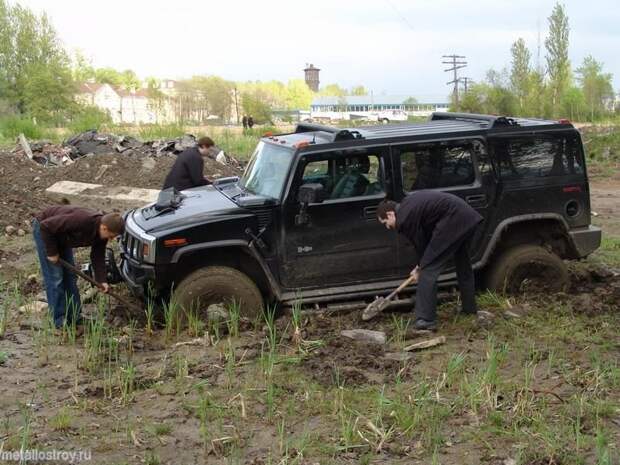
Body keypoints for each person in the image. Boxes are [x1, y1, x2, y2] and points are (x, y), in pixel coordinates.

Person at [377, 191, 483, 330]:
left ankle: (425, 320)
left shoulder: (404, 218)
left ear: (390, 214)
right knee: (462, 264)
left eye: (386, 222)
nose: (388, 227)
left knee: (428, 270)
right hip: (467, 218)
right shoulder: (408, 206)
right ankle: (469, 308)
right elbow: (425, 241)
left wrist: (421, 267)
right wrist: (419, 265)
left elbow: (421, 244)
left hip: (453, 220)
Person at [32, 206, 125, 328]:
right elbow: (46, 226)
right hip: (46, 231)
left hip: (62, 237)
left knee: (70, 277)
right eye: (111, 236)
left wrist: (102, 280)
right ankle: (58, 322)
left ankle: (75, 317)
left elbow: (97, 257)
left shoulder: (101, 235)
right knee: (56, 278)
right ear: (104, 227)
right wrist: (52, 252)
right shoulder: (83, 220)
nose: (111, 239)